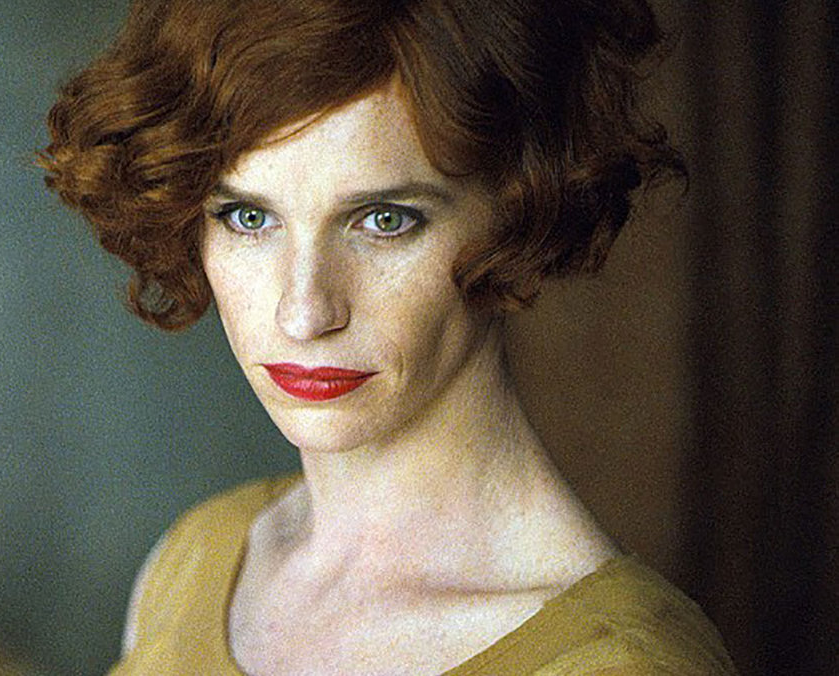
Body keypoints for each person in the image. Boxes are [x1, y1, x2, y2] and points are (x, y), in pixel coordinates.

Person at [41, 0, 737, 673]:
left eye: (384, 221)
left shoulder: (619, 663)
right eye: (249, 218)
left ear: (520, 213)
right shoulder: (196, 560)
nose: (304, 314)